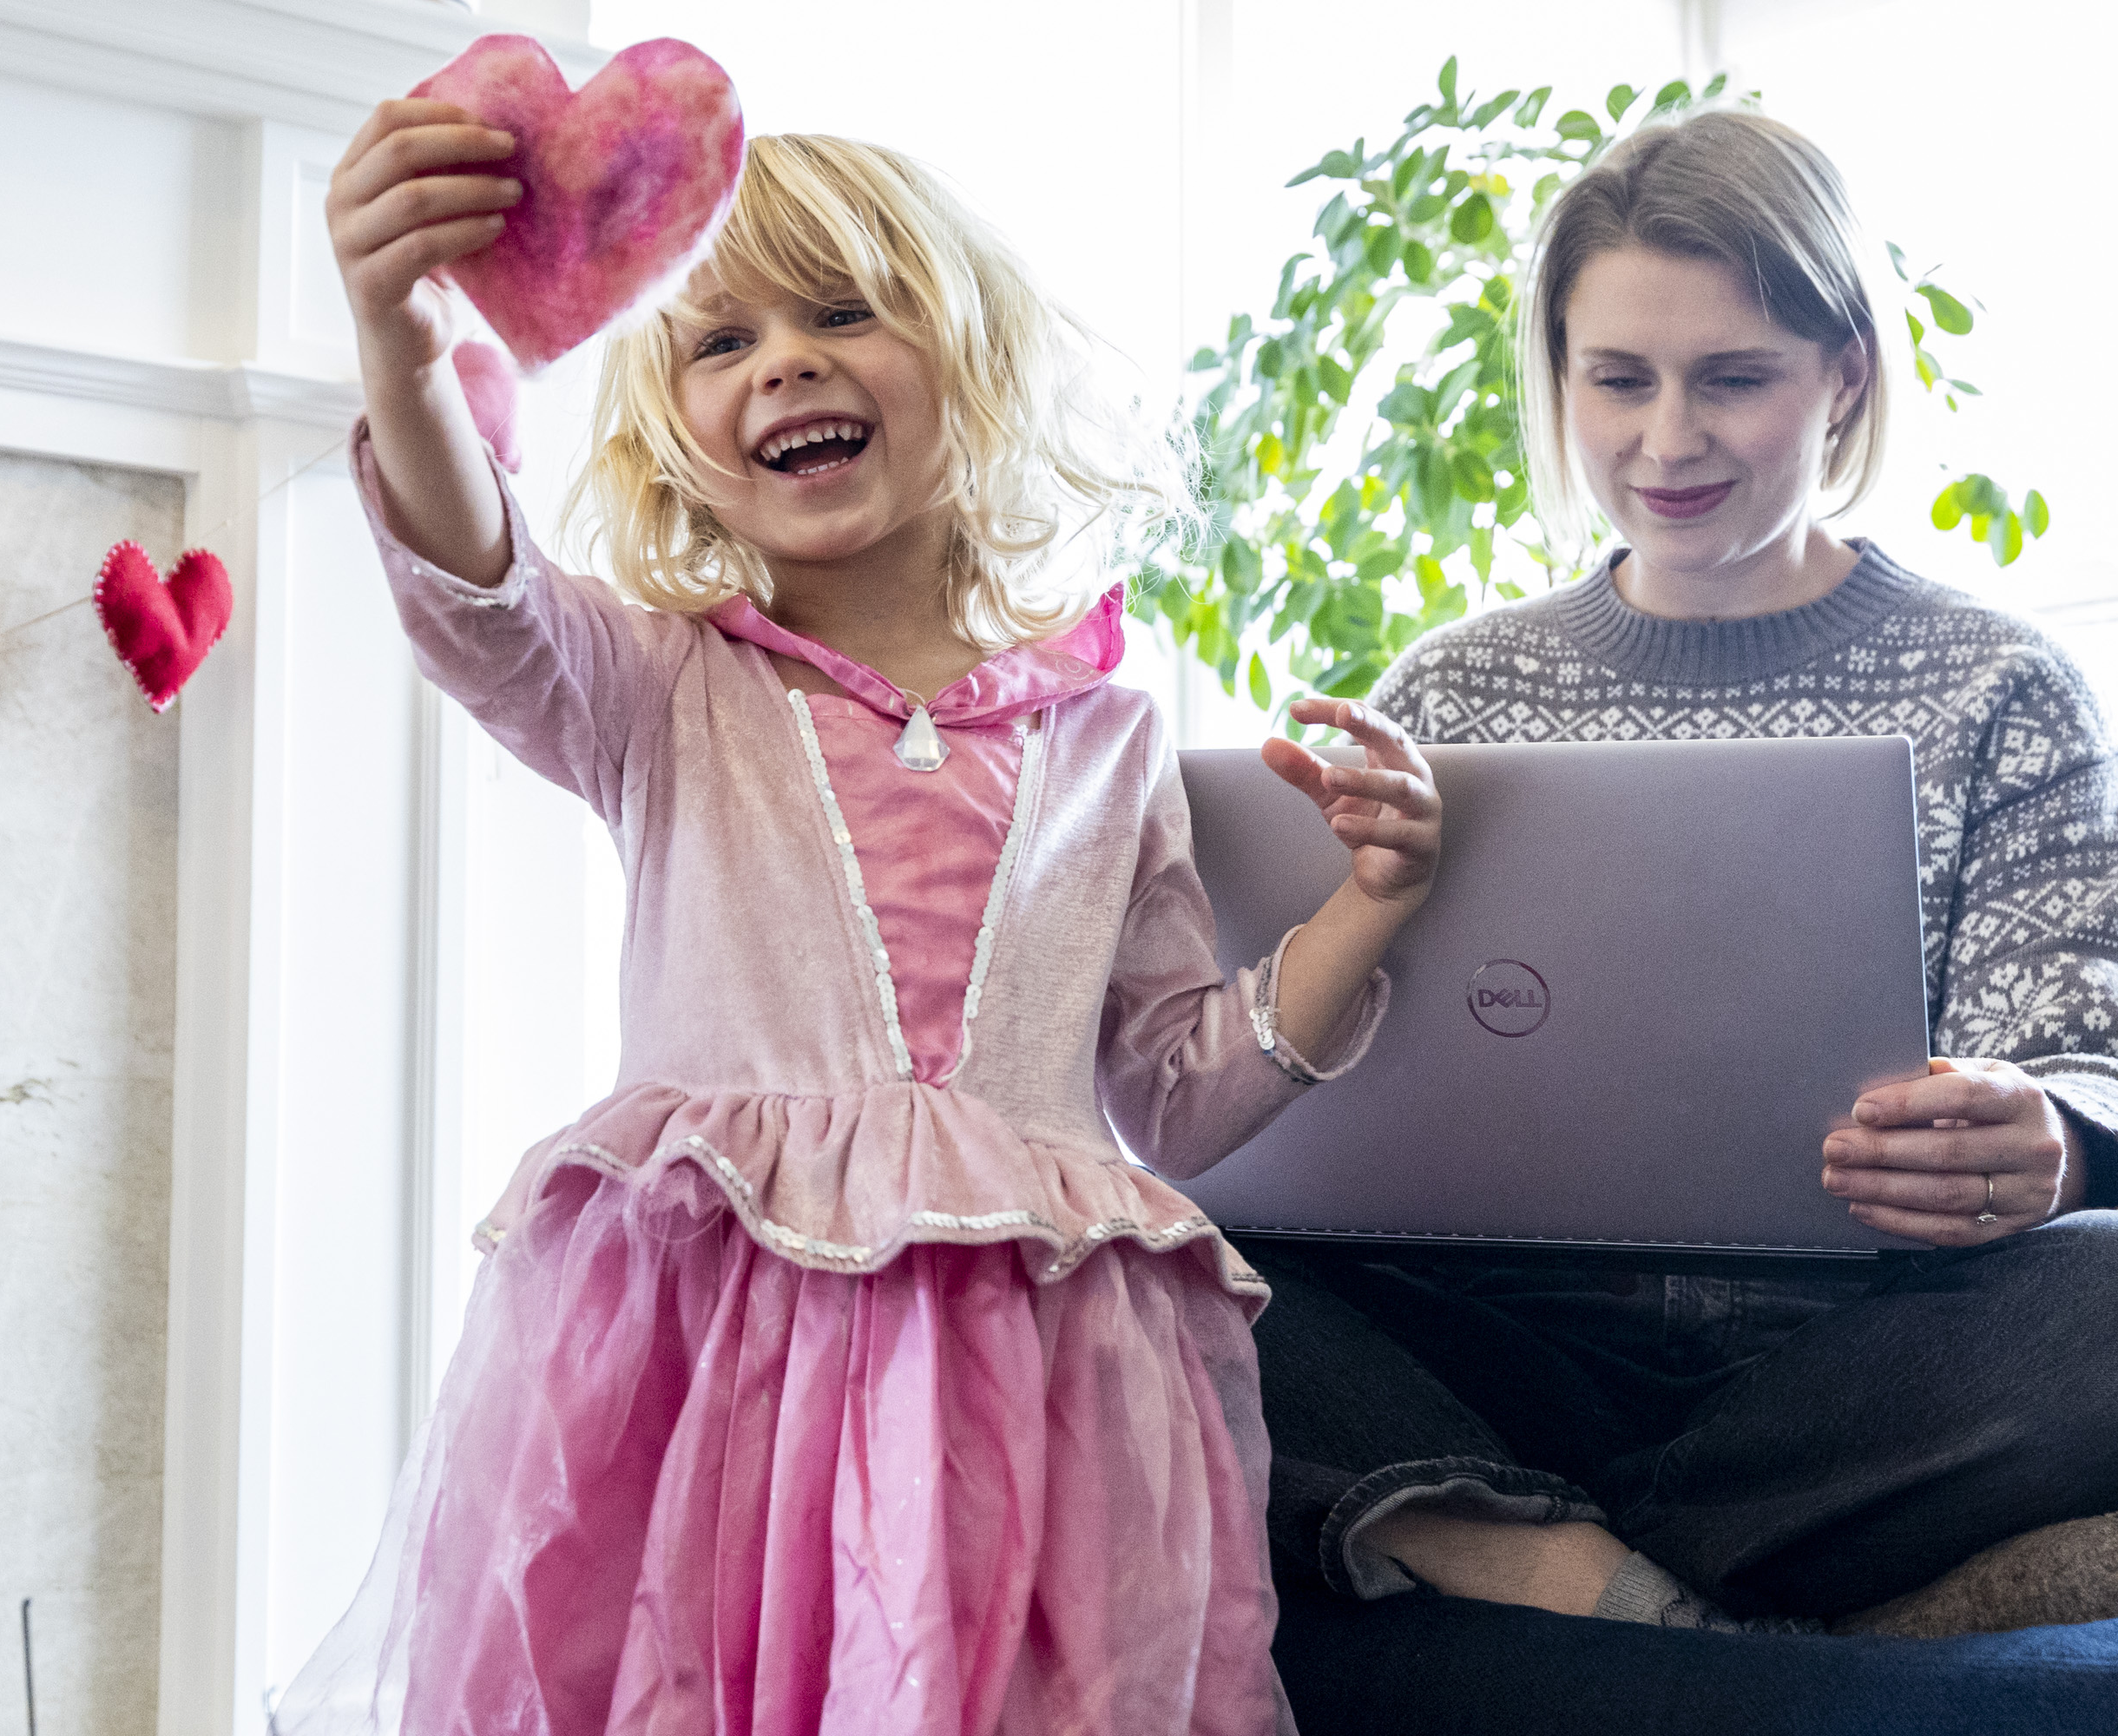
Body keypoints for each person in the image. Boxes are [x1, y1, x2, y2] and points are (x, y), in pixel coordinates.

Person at [279, 106, 1443, 1735]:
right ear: (676, 432)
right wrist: (402, 353)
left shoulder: (1101, 736)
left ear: (971, 363)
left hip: (1027, 1404)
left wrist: (1373, 904)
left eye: (844, 315)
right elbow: (481, 596)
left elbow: (1177, 1089)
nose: (785, 368)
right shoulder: (657, 684)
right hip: (714, 1378)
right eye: (724, 342)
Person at [1253, 108, 2118, 1724]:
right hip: (1505, 1348)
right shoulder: (1450, 691)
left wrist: (2057, 1140)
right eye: (1619, 379)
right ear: (1561, 375)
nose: (1668, 439)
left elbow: (2114, 1052)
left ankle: (1528, 1563)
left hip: (1866, 1364)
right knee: (1167, 1268)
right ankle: (1739, 1611)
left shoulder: (1999, 684)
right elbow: (1318, 1061)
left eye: (1733, 378)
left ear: (1846, 374)